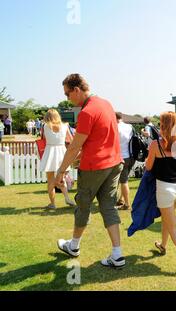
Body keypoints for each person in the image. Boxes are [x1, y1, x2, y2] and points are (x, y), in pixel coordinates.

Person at [55, 73, 125, 268]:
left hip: (95, 167)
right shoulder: (106, 104)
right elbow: (97, 141)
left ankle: (74, 246)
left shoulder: (87, 112)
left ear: (76, 90)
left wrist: (61, 171)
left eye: (67, 94)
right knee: (108, 206)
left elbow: (74, 146)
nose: (67, 98)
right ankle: (117, 254)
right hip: (114, 164)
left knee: (83, 206)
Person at [146, 111, 176, 273]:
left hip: (165, 189)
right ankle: (163, 245)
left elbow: (148, 167)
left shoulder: (155, 144)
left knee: (174, 229)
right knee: (168, 220)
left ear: (163, 125)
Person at [39, 109, 76, 209]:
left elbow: (42, 138)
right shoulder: (65, 126)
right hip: (61, 152)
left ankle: (53, 204)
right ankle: (67, 198)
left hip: (50, 151)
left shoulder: (45, 126)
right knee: (62, 178)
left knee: (50, 180)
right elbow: (71, 140)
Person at [115, 112, 135, 210]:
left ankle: (126, 204)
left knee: (123, 181)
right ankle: (121, 199)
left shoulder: (115, 127)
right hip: (130, 156)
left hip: (119, 157)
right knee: (123, 179)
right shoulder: (129, 126)